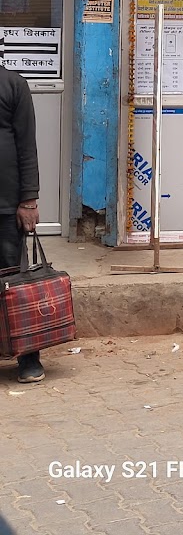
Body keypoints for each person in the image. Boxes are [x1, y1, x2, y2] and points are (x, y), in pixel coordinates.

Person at [0, 64, 44, 383]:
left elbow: (27, 145)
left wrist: (28, 200)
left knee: (15, 282)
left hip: (6, 206)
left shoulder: (13, 85)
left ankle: (29, 358)